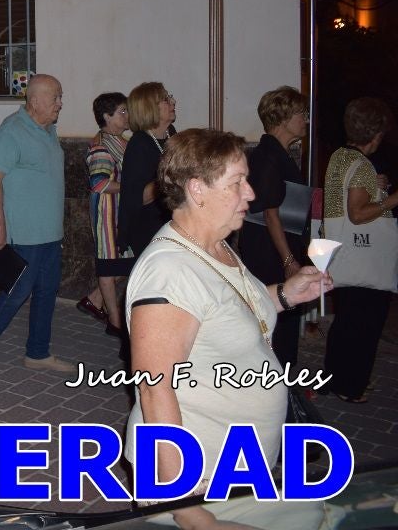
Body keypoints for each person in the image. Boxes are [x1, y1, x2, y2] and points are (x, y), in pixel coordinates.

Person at [124, 129, 330, 522]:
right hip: (200, 482)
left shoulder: (215, 245)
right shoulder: (168, 272)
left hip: (242, 469)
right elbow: (154, 391)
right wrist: (188, 511)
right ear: (197, 190)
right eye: (237, 183)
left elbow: (227, 310)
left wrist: (285, 294)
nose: (251, 194)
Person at [0, 74, 73, 377]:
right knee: (17, 291)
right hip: (24, 233)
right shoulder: (11, 131)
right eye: (56, 97)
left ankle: (38, 353)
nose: (60, 104)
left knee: (46, 291)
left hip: (50, 232)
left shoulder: (48, 129)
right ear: (36, 99)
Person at [320, 97, 398, 403]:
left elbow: (346, 197)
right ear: (376, 134)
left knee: (347, 320)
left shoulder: (341, 157)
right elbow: (358, 213)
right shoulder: (362, 164)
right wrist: (392, 199)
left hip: (344, 252)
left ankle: (334, 378)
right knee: (365, 324)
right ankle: (352, 387)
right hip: (366, 255)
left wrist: (375, 186)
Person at [237, 86, 311, 369]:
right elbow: (271, 214)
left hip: (276, 245)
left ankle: (281, 382)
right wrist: (289, 260)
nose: (305, 119)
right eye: (300, 114)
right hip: (270, 250)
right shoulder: (268, 155)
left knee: (281, 320)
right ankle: (277, 383)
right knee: (277, 319)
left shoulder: (278, 152)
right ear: (282, 118)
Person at [82, 92, 130, 338]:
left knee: (129, 262)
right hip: (107, 214)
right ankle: (114, 321)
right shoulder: (101, 145)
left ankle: (93, 299)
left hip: (123, 213)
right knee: (109, 267)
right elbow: (99, 184)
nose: (127, 115)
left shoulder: (122, 141)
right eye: (122, 111)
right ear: (106, 117)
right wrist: (133, 186)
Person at [117, 81, 176, 260]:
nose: (173, 102)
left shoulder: (171, 134)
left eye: (170, 97)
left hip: (170, 222)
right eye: (166, 100)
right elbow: (138, 198)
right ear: (149, 108)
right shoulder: (139, 144)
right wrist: (170, 175)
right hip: (148, 227)